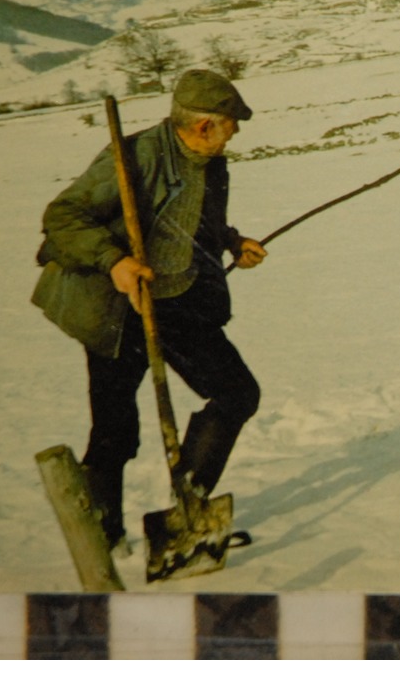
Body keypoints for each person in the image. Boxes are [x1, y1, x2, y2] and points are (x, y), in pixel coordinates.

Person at [31, 69, 267, 549]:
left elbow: (192, 221)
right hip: (117, 308)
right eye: (231, 125)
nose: (235, 134)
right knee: (115, 430)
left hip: (178, 303)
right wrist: (114, 260)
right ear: (204, 126)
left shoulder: (210, 163)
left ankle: (188, 509)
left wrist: (232, 241)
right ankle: (104, 535)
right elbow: (62, 217)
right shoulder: (134, 158)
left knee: (237, 393)